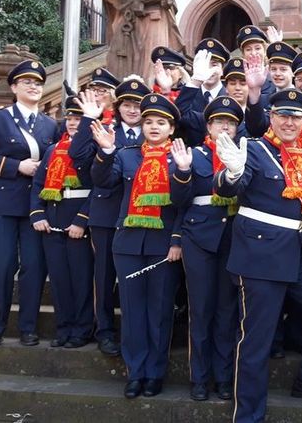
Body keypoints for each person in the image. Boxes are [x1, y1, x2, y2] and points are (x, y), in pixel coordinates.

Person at [212, 89, 302, 423]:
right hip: (260, 253)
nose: (289, 122)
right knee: (256, 340)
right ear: (271, 117)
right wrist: (230, 173)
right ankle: (247, 416)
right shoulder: (254, 150)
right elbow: (231, 185)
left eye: (297, 116)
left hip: (299, 248)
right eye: (283, 115)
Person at [90, 94, 194, 399]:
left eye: (161, 122)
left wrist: (177, 239)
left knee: (159, 311)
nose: (153, 127)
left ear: (171, 128)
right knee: (133, 312)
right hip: (128, 243)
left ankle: (155, 372)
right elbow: (103, 182)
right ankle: (135, 372)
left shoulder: (181, 157)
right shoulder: (127, 155)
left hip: (164, 245)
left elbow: (183, 204)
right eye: (148, 121)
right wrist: (106, 151)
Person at [0, 60, 59, 348]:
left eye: (38, 83)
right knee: (1, 265)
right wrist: (16, 166)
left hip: (35, 207)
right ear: (13, 87)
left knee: (33, 267)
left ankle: (28, 327)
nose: (33, 86)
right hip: (0, 203)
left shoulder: (50, 124)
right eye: (26, 82)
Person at [69, 77, 151, 357]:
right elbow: (77, 155)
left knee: (132, 281)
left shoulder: (154, 132)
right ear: (118, 106)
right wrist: (87, 120)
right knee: (103, 277)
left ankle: (132, 332)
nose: (132, 109)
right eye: (127, 104)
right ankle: (104, 330)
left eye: (137, 105)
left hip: (139, 215)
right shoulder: (104, 128)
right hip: (105, 214)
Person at [181, 96, 244, 402]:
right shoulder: (194, 155)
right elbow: (179, 200)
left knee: (227, 311)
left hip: (232, 238)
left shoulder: (245, 155)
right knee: (201, 309)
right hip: (199, 238)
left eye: (230, 123)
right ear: (208, 125)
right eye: (219, 121)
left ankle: (223, 377)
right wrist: (181, 173)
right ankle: (199, 378)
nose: (225, 127)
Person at [30, 96, 94, 349]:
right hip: (52, 220)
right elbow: (38, 185)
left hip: (78, 222)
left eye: (79, 118)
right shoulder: (52, 149)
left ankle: (82, 329)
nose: (73, 123)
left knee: (81, 279)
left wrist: (82, 220)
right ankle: (64, 327)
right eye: (70, 118)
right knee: (59, 279)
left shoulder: (91, 149)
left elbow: (99, 190)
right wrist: (37, 213)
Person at [175, 38, 230, 147]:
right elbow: (178, 114)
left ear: (222, 69)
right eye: (205, 65)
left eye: (214, 65)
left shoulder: (231, 96)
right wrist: (196, 81)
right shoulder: (188, 94)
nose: (208, 70)